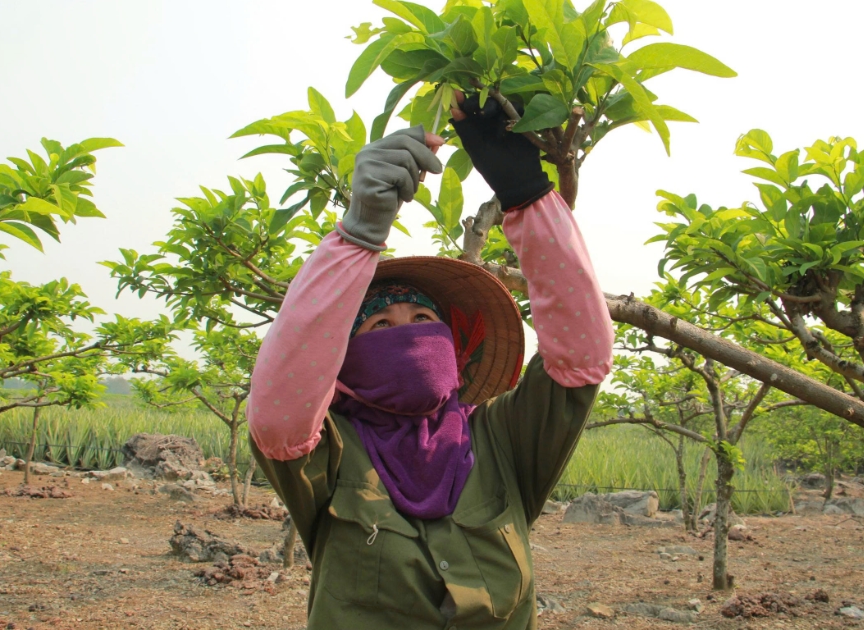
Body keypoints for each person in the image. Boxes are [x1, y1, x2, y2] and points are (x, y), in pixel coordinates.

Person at [247, 91, 614, 629]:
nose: (408, 339)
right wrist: (359, 234)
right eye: (379, 327)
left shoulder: (503, 439)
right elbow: (279, 413)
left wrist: (527, 193)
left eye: (423, 322)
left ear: (454, 345)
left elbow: (583, 353)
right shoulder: (331, 453)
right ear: (343, 362)